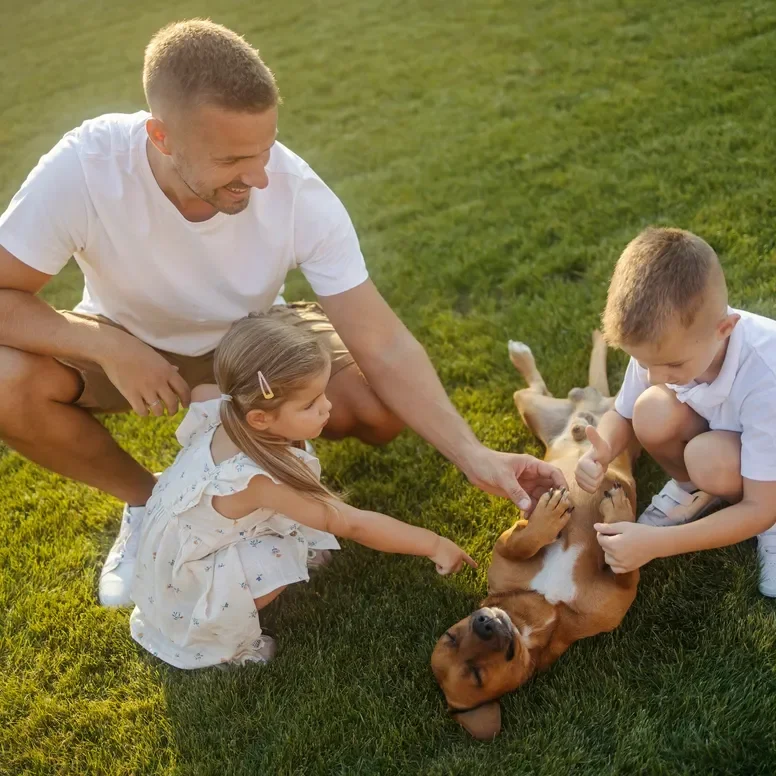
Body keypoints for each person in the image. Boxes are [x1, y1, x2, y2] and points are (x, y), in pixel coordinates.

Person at [0, 19, 565, 607]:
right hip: (127, 337)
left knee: (378, 410)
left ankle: (273, 466)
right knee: (5, 382)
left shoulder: (294, 191)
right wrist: (107, 346)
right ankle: (153, 503)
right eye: (232, 159)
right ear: (161, 137)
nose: (258, 176)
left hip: (255, 340)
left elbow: (384, 342)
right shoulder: (86, 166)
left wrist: (472, 454)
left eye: (265, 150)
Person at [130, 314, 475, 668]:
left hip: (171, 547)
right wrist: (433, 544)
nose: (327, 406)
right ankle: (222, 641)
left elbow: (202, 392)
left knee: (295, 509)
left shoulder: (223, 404)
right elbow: (350, 523)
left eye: (322, 394)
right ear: (260, 418)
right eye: (310, 404)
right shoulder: (258, 480)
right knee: (279, 553)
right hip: (184, 585)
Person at [575, 227, 776, 596]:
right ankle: (692, 489)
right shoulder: (666, 348)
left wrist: (656, 544)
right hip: (729, 441)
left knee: (709, 459)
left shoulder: (767, 374)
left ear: (724, 329)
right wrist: (602, 450)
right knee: (650, 410)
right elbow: (623, 414)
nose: (654, 376)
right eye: (644, 363)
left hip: (767, 477)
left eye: (671, 365)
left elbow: (759, 507)